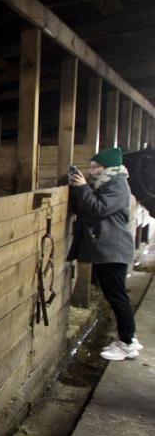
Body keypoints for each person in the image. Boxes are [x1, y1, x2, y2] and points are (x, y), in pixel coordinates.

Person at [68, 146, 143, 361]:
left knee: (117, 296)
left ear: (108, 167)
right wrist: (79, 189)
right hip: (109, 249)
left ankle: (126, 342)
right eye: (91, 167)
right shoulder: (108, 184)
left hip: (114, 250)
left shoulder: (117, 185)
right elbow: (89, 208)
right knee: (116, 294)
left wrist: (83, 188)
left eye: (95, 167)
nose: (91, 171)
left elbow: (99, 209)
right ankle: (130, 339)